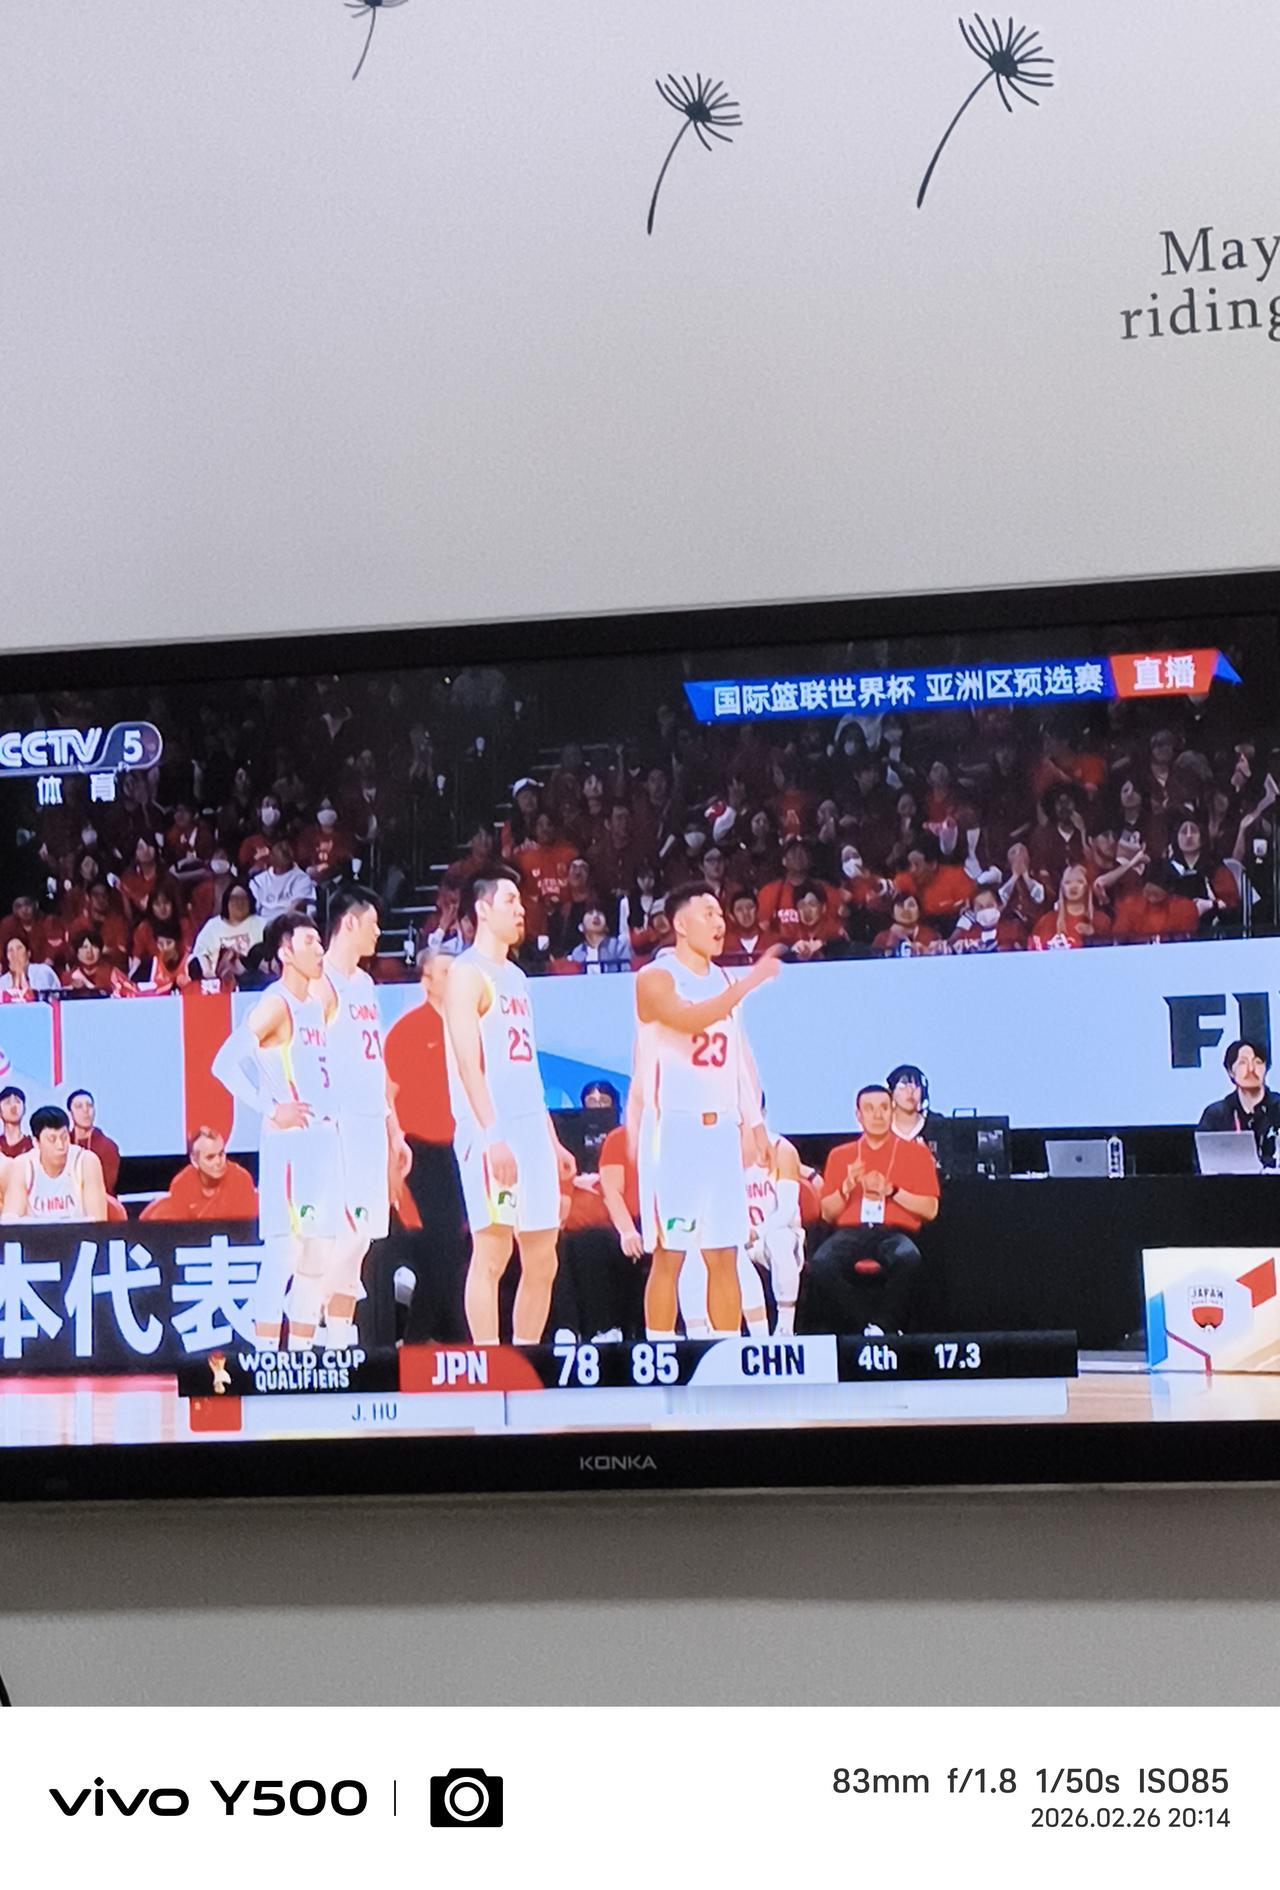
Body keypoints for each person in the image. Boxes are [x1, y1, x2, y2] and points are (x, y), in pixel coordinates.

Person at [633, 882, 783, 1341]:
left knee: (724, 1252)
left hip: (720, 1131)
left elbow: (738, 1058)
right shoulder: (656, 977)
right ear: (680, 924)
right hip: (672, 1131)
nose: (720, 923)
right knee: (670, 1254)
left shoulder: (723, 980)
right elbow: (689, 1019)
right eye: (709, 914)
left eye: (721, 915)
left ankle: (726, 1355)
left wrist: (755, 1124)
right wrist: (751, 982)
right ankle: (660, 1350)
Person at [443, 865, 574, 1345]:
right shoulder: (466, 973)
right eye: (511, 901)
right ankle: (488, 1362)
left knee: (543, 1255)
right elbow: (467, 1062)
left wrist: (551, 1139)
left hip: (529, 1125)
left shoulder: (516, 977)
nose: (521, 910)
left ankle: (524, 1358)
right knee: (493, 1250)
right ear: (482, 909)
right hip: (489, 1127)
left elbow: (529, 1067)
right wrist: (493, 1135)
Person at [211, 911, 342, 1350]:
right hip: (290, 1144)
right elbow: (224, 1063)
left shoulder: (317, 1003)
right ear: (285, 952)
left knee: (317, 1255)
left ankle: (300, 1354)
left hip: (323, 1140)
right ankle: (266, 1353)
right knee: (284, 1252)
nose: (319, 950)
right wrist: (271, 1108)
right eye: (309, 942)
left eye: (319, 942)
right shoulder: (274, 1004)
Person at [318, 886, 411, 1348]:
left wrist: (394, 1128)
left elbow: (376, 1064)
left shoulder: (364, 984)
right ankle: (305, 1310)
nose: (378, 932)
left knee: (363, 1235)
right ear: (349, 922)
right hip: (337, 1123)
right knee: (345, 1231)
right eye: (372, 923)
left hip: (371, 1121)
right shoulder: (319, 982)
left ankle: (338, 1334)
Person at [801, 1086, 940, 1336]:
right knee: (821, 1264)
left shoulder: (916, 1153)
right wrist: (846, 1187)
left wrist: (892, 1191)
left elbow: (930, 1210)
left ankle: (884, 1325)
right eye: (869, 1109)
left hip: (893, 1232)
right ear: (858, 1115)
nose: (877, 1115)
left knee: (908, 1257)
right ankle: (867, 1326)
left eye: (884, 1108)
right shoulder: (841, 1155)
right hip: (851, 1232)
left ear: (892, 1112)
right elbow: (827, 1214)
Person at [384, 949, 469, 1343]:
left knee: (458, 1246)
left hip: (464, 1147)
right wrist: (395, 1142)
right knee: (441, 1243)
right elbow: (388, 1092)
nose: (454, 979)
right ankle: (422, 1339)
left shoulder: (470, 1026)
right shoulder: (408, 1029)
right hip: (422, 1149)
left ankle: (436, 1335)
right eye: (446, 972)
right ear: (427, 980)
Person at [4, 1104, 108, 1223]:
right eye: (52, 1139)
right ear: (36, 1142)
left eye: (64, 1138)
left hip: (79, 1235)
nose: (60, 1146)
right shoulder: (24, 1165)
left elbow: (98, 1222)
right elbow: (10, 1221)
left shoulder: (86, 1162)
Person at [141, 1127, 260, 1222]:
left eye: (221, 1154)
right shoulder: (182, 1185)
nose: (219, 1162)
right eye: (210, 1157)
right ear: (194, 1160)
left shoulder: (240, 1180)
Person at [1196, 1039, 1280, 1170]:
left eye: (1258, 1062)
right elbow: (1200, 1162)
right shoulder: (1216, 1115)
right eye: (1243, 1063)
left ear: (1266, 1068)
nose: (1251, 1069)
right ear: (1230, 1071)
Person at [193, 883, 266, 983]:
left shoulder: (261, 924)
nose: (239, 903)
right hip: (216, 982)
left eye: (243, 898)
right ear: (226, 901)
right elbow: (199, 953)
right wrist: (207, 971)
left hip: (254, 980)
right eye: (235, 898)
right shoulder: (212, 926)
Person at [1030, 863, 1113, 950]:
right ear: (1062, 887)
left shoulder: (1102, 921)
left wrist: (1094, 936)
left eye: (1080, 881)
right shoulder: (1047, 921)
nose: (1073, 886)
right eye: (1067, 882)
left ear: (1087, 887)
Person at [250, 839, 316, 926]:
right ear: (271, 857)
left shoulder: (302, 878)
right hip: (261, 924)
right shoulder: (259, 880)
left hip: (289, 924)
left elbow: (298, 906)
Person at [66, 1089, 121, 1195]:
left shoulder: (108, 1146)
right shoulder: (64, 1144)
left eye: (90, 1106)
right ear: (70, 1113)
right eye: (79, 1106)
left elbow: (106, 1186)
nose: (85, 1111)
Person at [948, 885, 1024, 953]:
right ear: (973, 911)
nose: (985, 910)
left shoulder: (1014, 929)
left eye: (990, 905)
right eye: (980, 907)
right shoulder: (966, 935)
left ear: (999, 906)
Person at [872, 892, 941, 957]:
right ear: (892, 913)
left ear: (919, 911)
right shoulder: (882, 938)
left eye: (911, 905)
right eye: (900, 905)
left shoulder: (932, 936)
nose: (906, 909)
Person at [569, 905, 631, 973]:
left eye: (600, 913)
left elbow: (626, 973)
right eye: (590, 913)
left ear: (606, 927)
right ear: (581, 927)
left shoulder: (618, 947)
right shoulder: (577, 952)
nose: (596, 916)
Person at [887, 1065, 934, 1149]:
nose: (911, 1091)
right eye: (903, 1085)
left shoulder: (939, 1127)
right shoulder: (878, 1129)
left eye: (916, 1085)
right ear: (891, 1093)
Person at [0, 1086, 32, 1159]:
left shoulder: (33, 1145)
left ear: (24, 1109)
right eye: (7, 1102)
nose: (13, 1106)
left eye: (17, 1102)